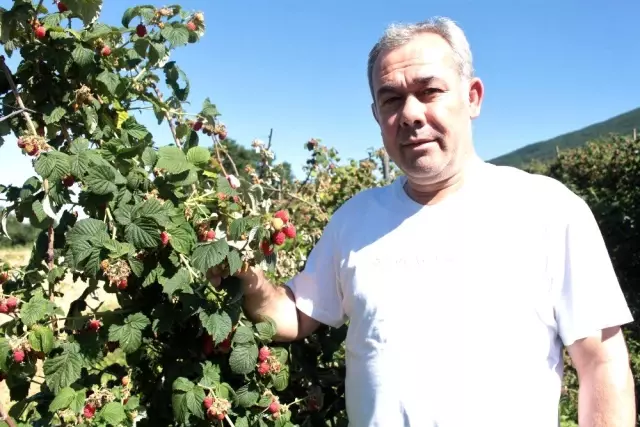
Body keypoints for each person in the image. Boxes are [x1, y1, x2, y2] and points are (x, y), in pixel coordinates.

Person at [209, 17, 636, 426]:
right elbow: (297, 315)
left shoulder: (547, 209)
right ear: (377, 115)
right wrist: (244, 275)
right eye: (391, 99)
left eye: (430, 91)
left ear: (472, 97)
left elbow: (601, 362)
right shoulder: (354, 219)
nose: (410, 114)